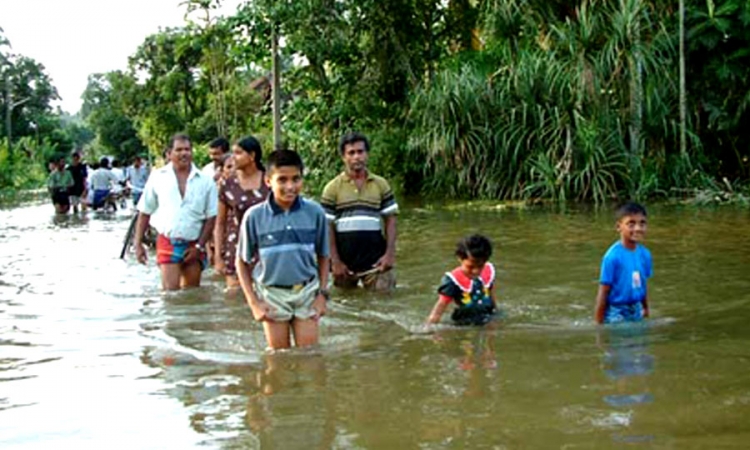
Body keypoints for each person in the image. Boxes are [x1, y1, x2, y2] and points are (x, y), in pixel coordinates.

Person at [237, 149, 330, 350]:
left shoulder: (315, 213)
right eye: (282, 180)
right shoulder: (254, 217)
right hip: (272, 294)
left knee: (310, 358)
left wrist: (322, 295)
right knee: (278, 360)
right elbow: (241, 262)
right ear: (268, 181)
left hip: (307, 292)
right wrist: (253, 303)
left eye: (296, 179)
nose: (290, 186)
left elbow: (324, 256)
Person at [133, 134, 218, 291]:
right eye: (178, 150)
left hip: (194, 243)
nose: (184, 153)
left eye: (187, 149)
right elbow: (145, 211)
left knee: (192, 295)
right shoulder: (158, 177)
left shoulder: (206, 180)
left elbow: (211, 217)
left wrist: (199, 247)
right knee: (170, 295)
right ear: (169, 154)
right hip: (168, 241)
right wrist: (138, 243)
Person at [320, 132, 398, 291]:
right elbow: (326, 227)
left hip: (376, 261)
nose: (357, 157)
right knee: (347, 305)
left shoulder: (381, 184)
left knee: (384, 303)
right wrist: (335, 262)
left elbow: (391, 220)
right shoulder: (332, 188)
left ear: (367, 154)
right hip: (344, 264)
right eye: (351, 153)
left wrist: (389, 254)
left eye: (360, 152)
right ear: (343, 157)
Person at [215, 136, 269, 288]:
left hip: (267, 248)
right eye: (232, 153)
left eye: (238, 153)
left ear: (252, 156)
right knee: (235, 301)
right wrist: (218, 257)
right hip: (236, 248)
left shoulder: (270, 182)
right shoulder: (227, 184)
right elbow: (220, 223)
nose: (233, 158)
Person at [594, 202, 652, 324]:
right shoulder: (612, 257)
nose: (638, 228)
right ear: (618, 227)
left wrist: (646, 308)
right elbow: (604, 290)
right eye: (631, 224)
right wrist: (599, 325)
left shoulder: (645, 254)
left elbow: (643, 283)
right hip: (616, 311)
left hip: (636, 307)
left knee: (640, 342)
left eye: (642, 223)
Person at [426, 234, 498, 326]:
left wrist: (496, 314)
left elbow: (491, 292)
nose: (476, 271)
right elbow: (440, 306)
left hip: (487, 317)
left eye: (480, 266)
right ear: (460, 258)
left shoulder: (487, 271)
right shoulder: (453, 281)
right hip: (464, 322)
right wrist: (429, 327)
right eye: (470, 267)